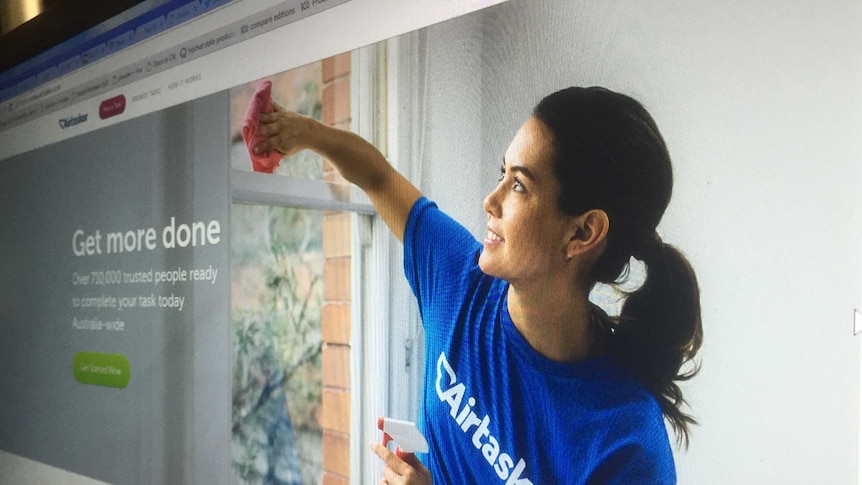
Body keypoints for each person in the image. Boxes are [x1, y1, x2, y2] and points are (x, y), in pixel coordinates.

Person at [253, 86, 703, 484]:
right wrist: (303, 131)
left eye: (520, 186)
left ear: (583, 233)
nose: (491, 200)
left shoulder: (627, 446)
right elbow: (378, 177)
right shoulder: (458, 282)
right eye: (501, 174)